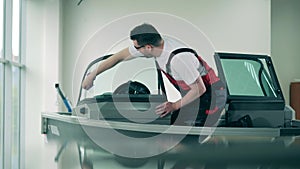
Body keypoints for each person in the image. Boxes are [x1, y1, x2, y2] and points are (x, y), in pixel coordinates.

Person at [82, 23, 226, 127]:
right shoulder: (156, 47)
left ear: (148, 47)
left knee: (191, 138)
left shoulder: (179, 59)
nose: (135, 50)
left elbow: (199, 89)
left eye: (137, 48)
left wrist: (174, 105)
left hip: (212, 96)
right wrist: (92, 75)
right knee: (176, 124)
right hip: (195, 94)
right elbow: (118, 57)